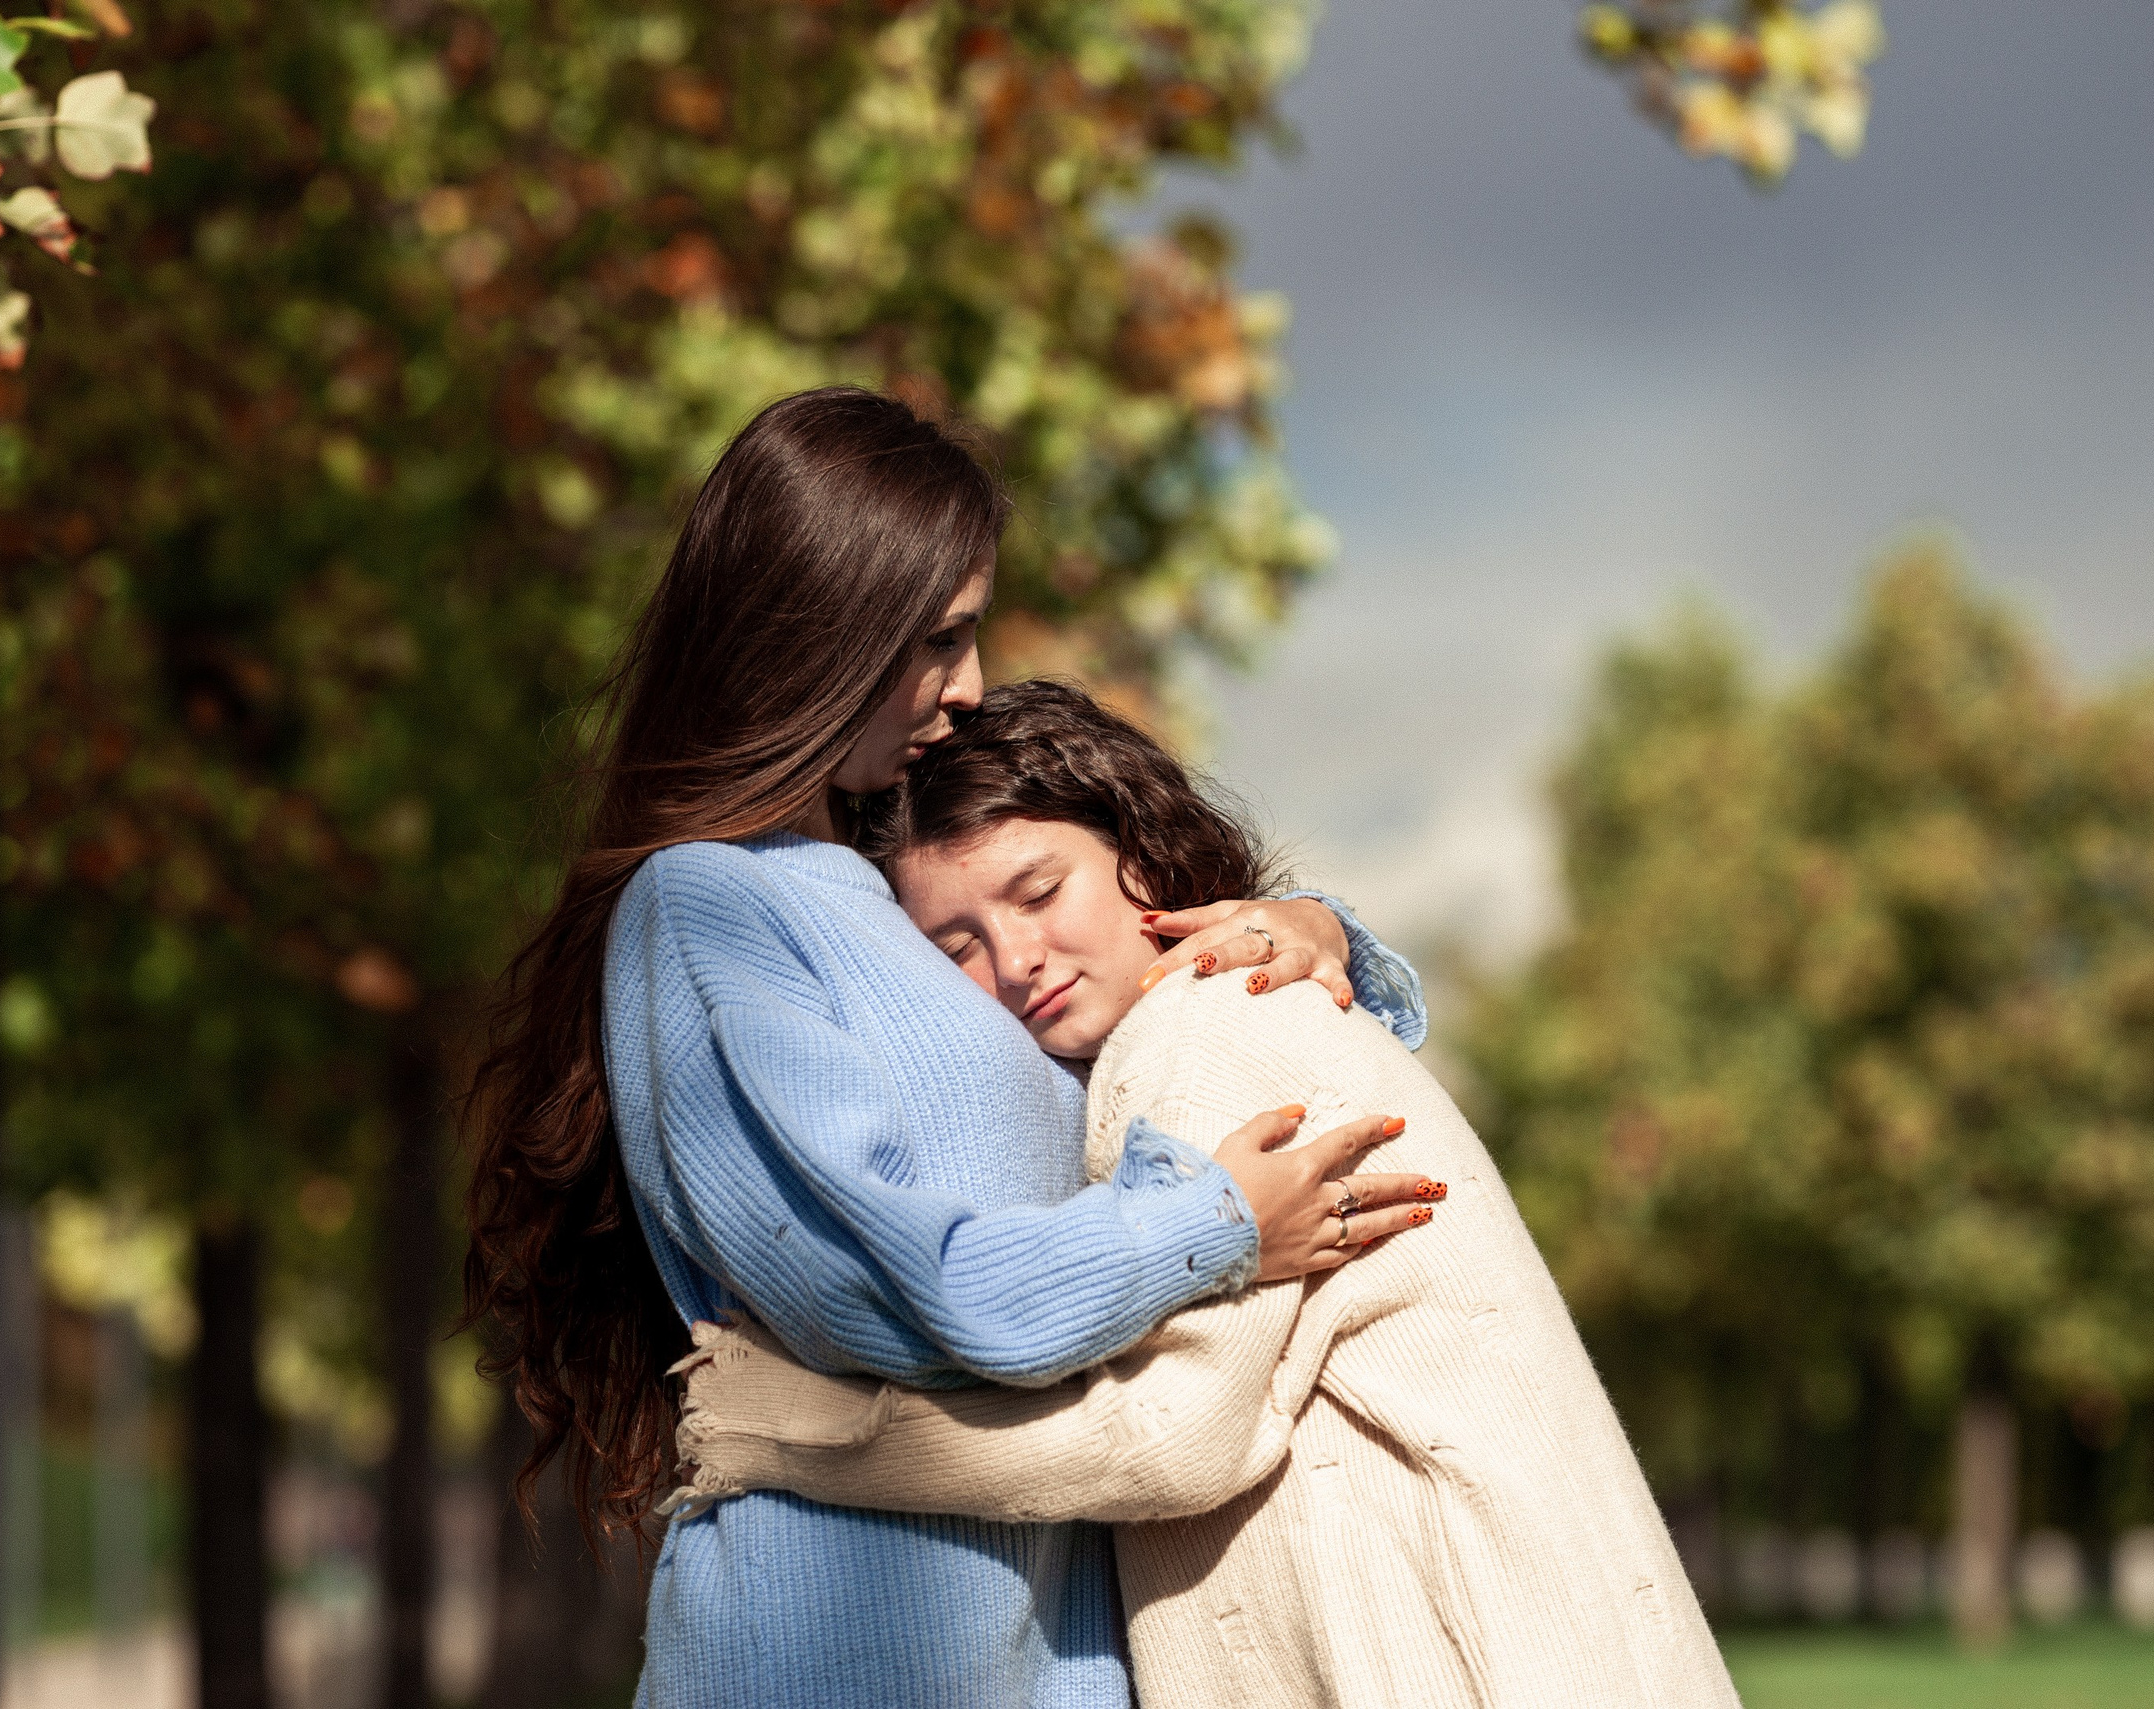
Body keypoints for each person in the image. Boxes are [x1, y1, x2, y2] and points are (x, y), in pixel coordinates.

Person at [464, 387, 1434, 1708]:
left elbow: (1144, 1064)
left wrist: (1314, 933)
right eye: (938, 639)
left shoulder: (907, 897)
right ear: (823, 631)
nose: (968, 686)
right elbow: (897, 1288)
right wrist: (1206, 1230)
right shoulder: (707, 911)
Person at [667, 680, 1742, 1709]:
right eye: (957, 946)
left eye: (1039, 892)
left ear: (1137, 846)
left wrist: (792, 1429)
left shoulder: (1201, 1031)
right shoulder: (1216, 1018)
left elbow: (1172, 1435)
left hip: (1453, 1655)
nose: (1015, 958)